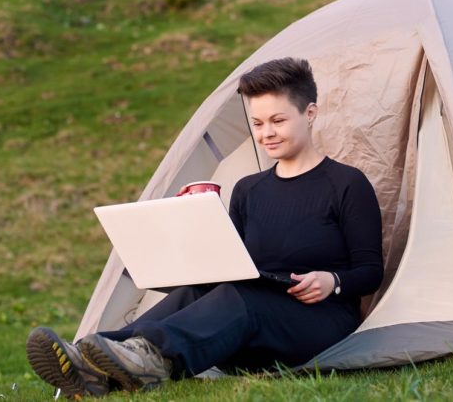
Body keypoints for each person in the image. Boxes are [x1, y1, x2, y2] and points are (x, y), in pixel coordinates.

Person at [26, 57, 384, 398]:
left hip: (318, 322)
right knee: (196, 293)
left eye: (278, 120)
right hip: (247, 325)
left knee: (239, 297)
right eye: (257, 124)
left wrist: (332, 282)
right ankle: (99, 359)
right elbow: (232, 267)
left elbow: (370, 272)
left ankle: (146, 358)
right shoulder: (248, 190)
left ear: (310, 114)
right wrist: (191, 223)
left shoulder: (346, 184)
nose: (267, 133)